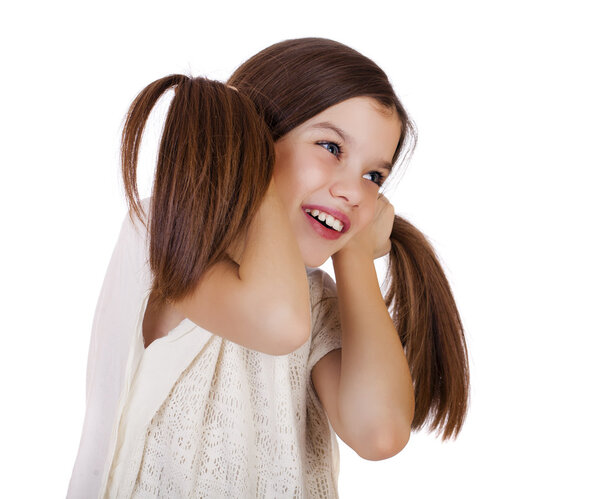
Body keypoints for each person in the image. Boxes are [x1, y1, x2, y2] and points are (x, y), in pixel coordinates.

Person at [67, 38, 469, 498]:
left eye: (373, 176)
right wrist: (245, 159)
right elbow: (278, 321)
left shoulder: (316, 299)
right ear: (254, 136)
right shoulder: (167, 235)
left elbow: (380, 432)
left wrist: (354, 256)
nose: (356, 192)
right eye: (331, 147)